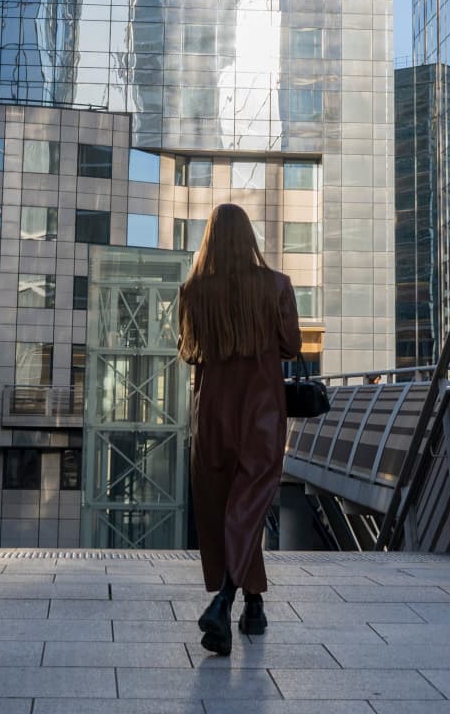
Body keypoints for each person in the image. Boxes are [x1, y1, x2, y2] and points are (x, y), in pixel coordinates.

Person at [178, 202, 301, 656]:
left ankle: (253, 605)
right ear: (249, 237)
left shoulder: (193, 290)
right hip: (261, 414)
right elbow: (291, 344)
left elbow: (188, 351)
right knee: (247, 508)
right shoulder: (277, 285)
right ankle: (226, 601)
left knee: (225, 511)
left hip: (212, 415)